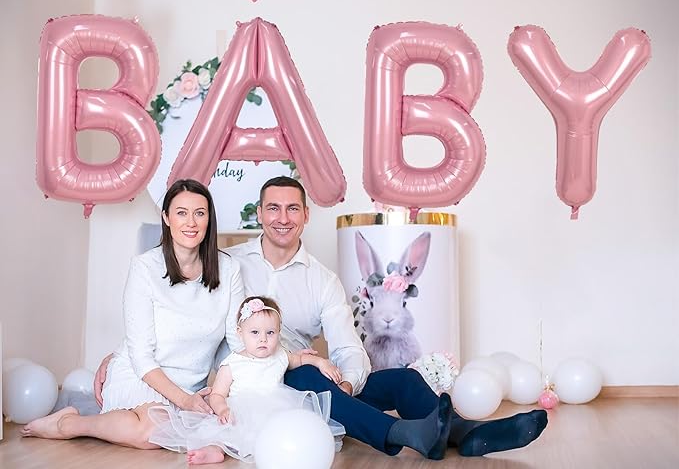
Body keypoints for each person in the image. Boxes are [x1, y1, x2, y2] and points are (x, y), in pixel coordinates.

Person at [96, 176, 547, 458]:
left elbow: (347, 344)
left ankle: (467, 433)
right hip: (264, 380)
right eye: (273, 208)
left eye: (292, 208)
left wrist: (347, 382)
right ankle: (400, 434)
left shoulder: (322, 280)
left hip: (313, 376)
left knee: (402, 380)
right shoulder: (228, 265)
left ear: (305, 216)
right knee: (307, 375)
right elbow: (183, 315)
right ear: (259, 214)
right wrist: (119, 357)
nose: (282, 218)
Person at [23, 179, 244, 450]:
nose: (191, 222)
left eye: (199, 213)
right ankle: (68, 424)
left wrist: (230, 388)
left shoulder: (229, 269)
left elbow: (235, 342)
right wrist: (185, 401)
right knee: (154, 433)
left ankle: (88, 422)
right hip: (141, 375)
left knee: (207, 430)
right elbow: (141, 356)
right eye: (181, 213)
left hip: (190, 384)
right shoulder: (145, 268)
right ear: (166, 218)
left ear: (209, 219)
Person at [147, 295, 346, 464]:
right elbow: (217, 394)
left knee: (291, 429)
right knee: (226, 433)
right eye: (255, 333)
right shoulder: (232, 364)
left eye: (270, 333)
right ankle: (214, 450)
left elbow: (300, 359)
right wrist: (222, 410)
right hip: (240, 411)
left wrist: (321, 362)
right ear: (240, 334)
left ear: (278, 333)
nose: (263, 339)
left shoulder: (280, 355)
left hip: (276, 408)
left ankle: (284, 449)